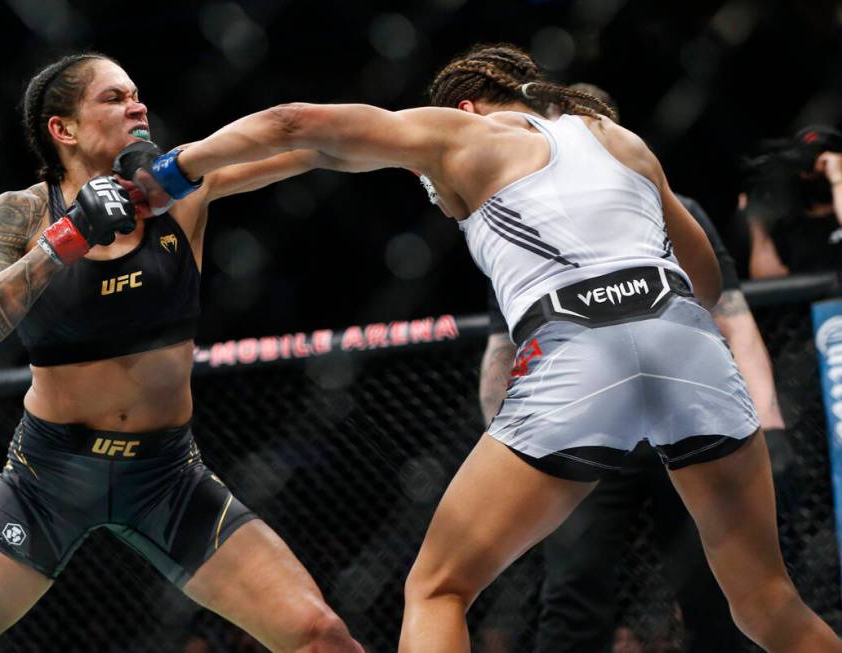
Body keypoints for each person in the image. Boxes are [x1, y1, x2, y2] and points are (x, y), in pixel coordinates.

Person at [119, 43, 842, 653]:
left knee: (438, 586)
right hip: (687, 345)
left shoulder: (463, 136)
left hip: (580, 349)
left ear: (464, 106)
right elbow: (707, 280)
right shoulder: (619, 139)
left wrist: (172, 171)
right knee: (768, 602)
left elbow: (294, 123)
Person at [0, 53, 363, 653]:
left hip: (167, 474)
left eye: (136, 94)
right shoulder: (24, 212)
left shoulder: (182, 187)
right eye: (113, 98)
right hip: (46, 477)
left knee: (318, 634)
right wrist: (65, 240)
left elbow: (316, 146)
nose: (137, 105)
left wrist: (433, 144)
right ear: (62, 129)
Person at [477, 84, 786, 652]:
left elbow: (732, 313)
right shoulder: (520, 215)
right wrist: (510, 442)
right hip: (583, 420)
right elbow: (503, 346)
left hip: (685, 408)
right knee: (574, 592)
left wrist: (768, 419)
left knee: (721, 591)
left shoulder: (670, 206)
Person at [740, 125, 842, 278]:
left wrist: (837, 178)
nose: (818, 170)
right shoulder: (789, 225)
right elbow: (769, 281)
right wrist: (756, 223)